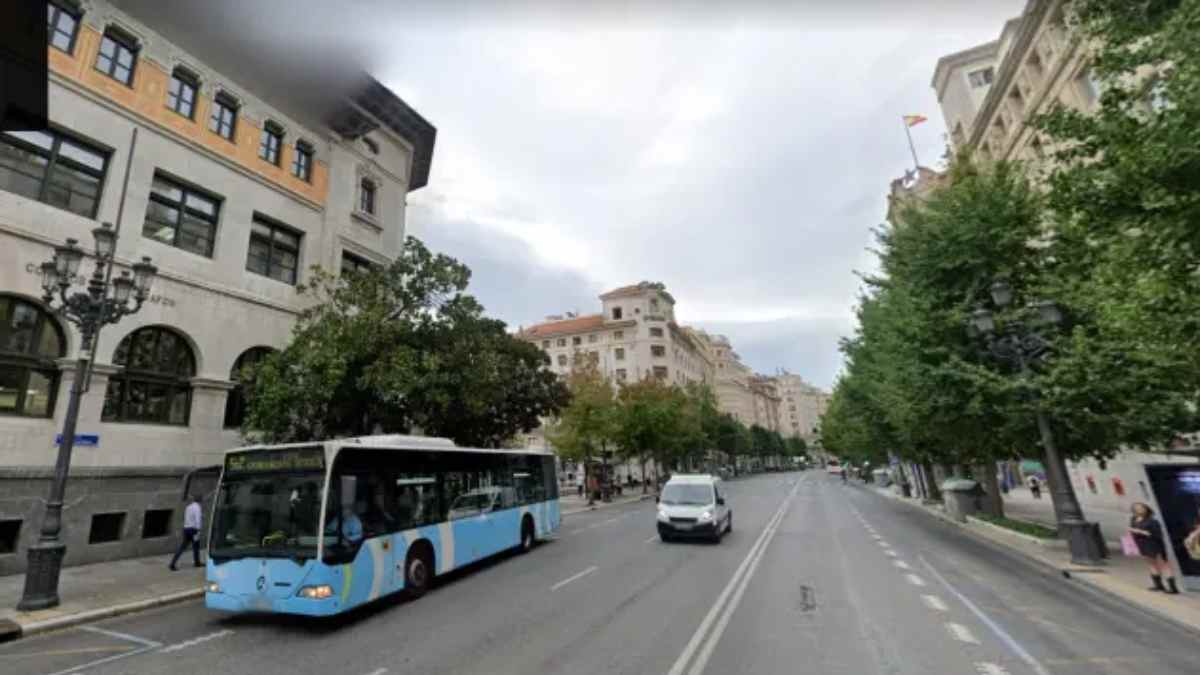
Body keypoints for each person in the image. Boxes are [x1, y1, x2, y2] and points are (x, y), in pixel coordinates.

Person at [1128, 502, 1178, 594]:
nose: (1139, 510)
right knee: (1151, 564)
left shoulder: (1152, 521)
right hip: (1142, 544)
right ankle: (1158, 585)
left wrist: (1141, 532)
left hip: (1153, 544)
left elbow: (1158, 534)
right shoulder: (1133, 519)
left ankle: (1173, 587)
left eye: (1141, 508)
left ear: (1146, 509)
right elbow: (1132, 530)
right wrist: (1132, 532)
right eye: (1136, 508)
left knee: (1163, 564)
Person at [169, 494, 203, 571]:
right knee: (196, 546)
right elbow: (198, 519)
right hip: (194, 530)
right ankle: (197, 562)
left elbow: (186, 518)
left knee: (182, 547)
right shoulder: (197, 507)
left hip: (186, 529)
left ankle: (172, 563)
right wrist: (198, 530)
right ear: (200, 500)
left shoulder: (188, 507)